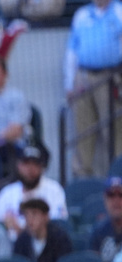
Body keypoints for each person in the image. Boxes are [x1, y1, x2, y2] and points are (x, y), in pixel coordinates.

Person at [64, 0, 122, 178]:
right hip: (83, 77)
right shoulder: (81, 14)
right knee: (82, 133)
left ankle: (117, 179)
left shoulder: (119, 11)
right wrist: (68, 84)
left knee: (114, 133)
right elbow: (72, 51)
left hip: (111, 77)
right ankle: (81, 180)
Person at [0, 144, 68, 242]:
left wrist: (24, 231)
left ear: (42, 167)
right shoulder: (8, 192)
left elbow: (59, 224)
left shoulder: (54, 190)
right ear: (18, 166)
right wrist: (3, 225)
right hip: (11, 248)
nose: (30, 169)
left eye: (35, 164)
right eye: (26, 163)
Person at [12, 198, 73, 262]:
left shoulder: (60, 239)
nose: (29, 219)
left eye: (34, 213)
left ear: (46, 217)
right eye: (26, 215)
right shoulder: (22, 240)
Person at [89, 176, 122, 262]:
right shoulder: (98, 232)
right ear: (105, 200)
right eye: (111, 195)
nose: (116, 200)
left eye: (120, 195)